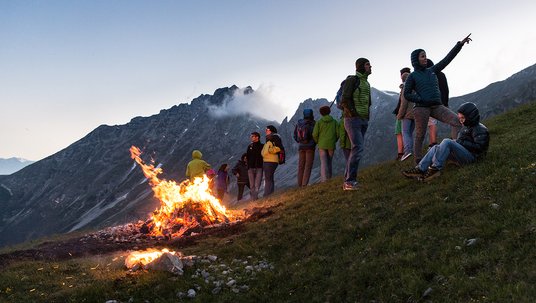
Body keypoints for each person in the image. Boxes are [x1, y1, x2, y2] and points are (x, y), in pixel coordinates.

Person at [403, 34, 472, 164]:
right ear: (415, 60)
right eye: (422, 56)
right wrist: (419, 98)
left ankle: (457, 149)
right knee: (420, 135)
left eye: (425, 55)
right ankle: (418, 162)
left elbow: (447, 59)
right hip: (421, 108)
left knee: (457, 121)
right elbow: (407, 94)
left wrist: (460, 44)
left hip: (437, 106)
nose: (425, 58)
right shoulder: (412, 76)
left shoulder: (432, 70)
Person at [402, 102, 489, 181]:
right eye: (460, 118)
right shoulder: (467, 127)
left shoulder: (480, 129)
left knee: (447, 141)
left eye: (463, 118)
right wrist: (458, 142)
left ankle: (435, 169)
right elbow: (462, 142)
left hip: (473, 159)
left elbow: (479, 148)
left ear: (471, 116)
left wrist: (460, 142)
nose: (461, 120)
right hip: (464, 155)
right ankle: (420, 169)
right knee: (436, 147)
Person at [340, 57, 372, 190]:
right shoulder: (353, 80)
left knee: (356, 148)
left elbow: (367, 101)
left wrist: (366, 115)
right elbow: (345, 99)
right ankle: (349, 181)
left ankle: (348, 180)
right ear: (360, 66)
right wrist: (353, 113)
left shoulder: (367, 83)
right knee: (357, 147)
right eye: (367, 64)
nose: (370, 67)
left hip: (363, 119)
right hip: (352, 119)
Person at [313, 105, 339, 182]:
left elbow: (314, 134)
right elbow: (338, 133)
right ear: (329, 112)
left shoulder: (319, 122)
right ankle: (330, 178)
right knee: (329, 162)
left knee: (323, 163)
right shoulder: (334, 122)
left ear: (321, 113)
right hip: (331, 144)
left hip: (322, 145)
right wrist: (334, 140)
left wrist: (318, 141)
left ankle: (324, 180)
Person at [293, 108, 316, 187]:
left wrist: (300, 142)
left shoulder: (299, 123)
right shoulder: (313, 123)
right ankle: (304, 184)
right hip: (310, 147)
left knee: (301, 166)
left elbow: (295, 136)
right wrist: (313, 142)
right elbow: (315, 135)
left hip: (301, 147)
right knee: (308, 165)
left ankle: (299, 184)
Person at [397, 67, 414, 161]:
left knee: (405, 133)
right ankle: (411, 151)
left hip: (407, 114)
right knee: (410, 133)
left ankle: (407, 152)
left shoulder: (405, 88)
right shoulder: (415, 87)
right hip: (415, 114)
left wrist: (400, 115)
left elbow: (404, 103)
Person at [262, 125, 282, 196]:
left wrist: (269, 150)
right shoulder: (269, 138)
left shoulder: (275, 137)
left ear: (271, 130)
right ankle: (270, 194)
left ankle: (266, 194)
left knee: (268, 178)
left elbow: (279, 148)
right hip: (268, 160)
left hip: (271, 160)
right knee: (270, 177)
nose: (265, 131)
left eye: (267, 129)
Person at [246, 131, 264, 200]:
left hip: (259, 167)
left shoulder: (262, 146)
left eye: (252, 136)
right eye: (251, 136)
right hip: (251, 168)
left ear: (257, 137)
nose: (251, 137)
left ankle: (255, 198)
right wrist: (248, 166)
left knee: (257, 184)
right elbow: (247, 157)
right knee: (252, 185)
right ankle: (253, 199)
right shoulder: (250, 146)